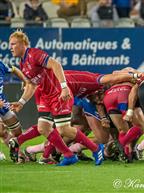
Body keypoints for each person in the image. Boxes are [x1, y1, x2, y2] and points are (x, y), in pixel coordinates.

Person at [8, 31, 104, 166]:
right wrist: (21, 102)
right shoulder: (23, 63)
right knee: (43, 128)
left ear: (23, 44)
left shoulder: (34, 54)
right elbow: (31, 84)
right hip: (47, 97)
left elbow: (56, 64)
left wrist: (64, 87)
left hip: (57, 93)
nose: (10, 47)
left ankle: (96, 148)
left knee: (64, 129)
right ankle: (69, 155)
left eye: (13, 44)